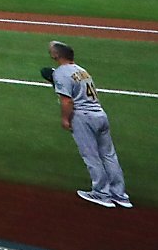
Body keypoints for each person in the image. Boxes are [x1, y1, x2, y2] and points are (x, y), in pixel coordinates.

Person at [50, 41, 130, 207]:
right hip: (100, 115)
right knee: (109, 155)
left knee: (91, 156)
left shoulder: (61, 72)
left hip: (83, 118)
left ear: (56, 55)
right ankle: (120, 195)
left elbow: (67, 101)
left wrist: (65, 119)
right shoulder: (83, 71)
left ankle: (101, 193)